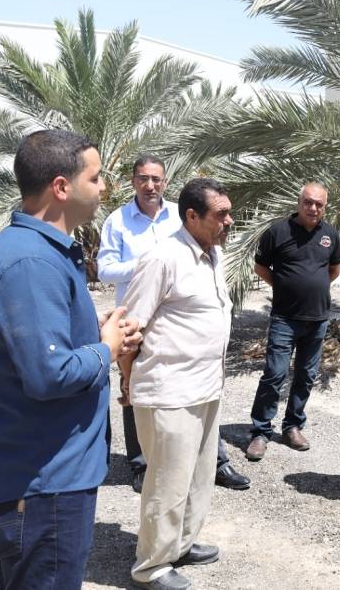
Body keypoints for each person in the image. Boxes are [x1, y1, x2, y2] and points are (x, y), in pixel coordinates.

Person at [0, 130, 141, 589]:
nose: (104, 187)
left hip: (43, 479)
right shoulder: (31, 262)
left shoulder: (38, 253)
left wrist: (95, 333)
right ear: (62, 187)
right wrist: (106, 348)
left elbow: (42, 347)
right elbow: (49, 374)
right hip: (43, 484)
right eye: (96, 177)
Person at [98, 154, 249, 493]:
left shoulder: (183, 217)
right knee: (138, 391)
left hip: (184, 331)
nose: (150, 185)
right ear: (133, 181)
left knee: (199, 408)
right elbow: (105, 269)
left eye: (156, 179)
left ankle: (216, 463)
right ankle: (142, 465)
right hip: (141, 315)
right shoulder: (119, 222)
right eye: (143, 178)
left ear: (165, 182)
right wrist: (152, 264)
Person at [122, 177, 235, 590]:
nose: (229, 221)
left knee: (198, 478)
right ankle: (151, 567)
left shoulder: (213, 254)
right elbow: (129, 328)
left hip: (206, 387)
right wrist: (127, 381)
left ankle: (180, 545)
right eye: (221, 214)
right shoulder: (163, 258)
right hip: (168, 391)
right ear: (192, 216)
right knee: (167, 483)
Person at [246, 182, 340, 461]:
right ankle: (260, 431)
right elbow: (260, 266)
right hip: (284, 318)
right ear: (299, 203)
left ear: (325, 207)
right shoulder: (277, 232)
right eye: (308, 202)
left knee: (306, 376)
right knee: (275, 374)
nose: (313, 208)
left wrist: (312, 287)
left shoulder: (330, 235)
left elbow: (334, 270)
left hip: (317, 319)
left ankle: (292, 426)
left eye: (319, 204)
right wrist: (284, 286)